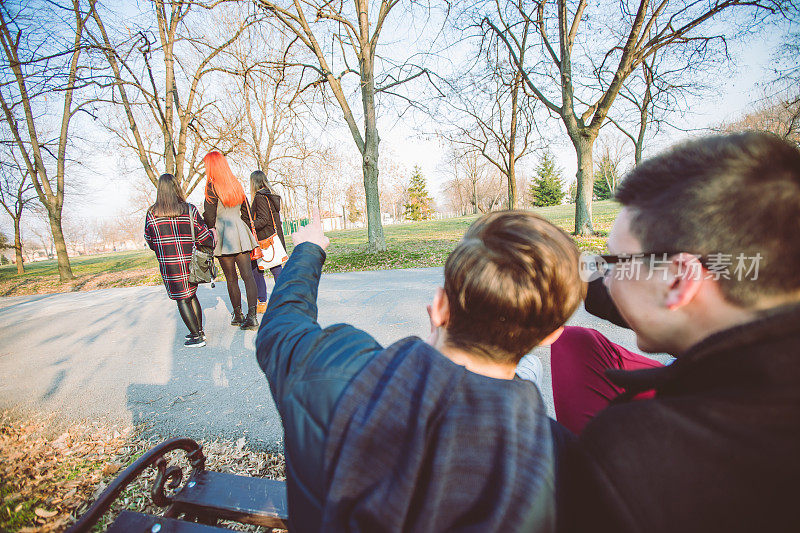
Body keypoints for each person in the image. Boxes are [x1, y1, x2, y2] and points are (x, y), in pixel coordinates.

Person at [256, 209, 585, 532]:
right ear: (550, 336)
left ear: (439, 306)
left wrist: (309, 249)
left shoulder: (331, 365)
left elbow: (281, 326)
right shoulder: (561, 462)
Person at [556, 132, 800, 532]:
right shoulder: (749, 279)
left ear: (679, 278)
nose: (608, 274)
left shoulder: (635, 456)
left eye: (612, 261)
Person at [144, 173, 215, 348]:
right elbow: (203, 235)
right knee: (191, 295)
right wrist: (210, 239)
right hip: (190, 261)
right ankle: (199, 332)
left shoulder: (152, 213)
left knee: (182, 299)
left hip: (169, 264)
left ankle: (196, 336)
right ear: (176, 187)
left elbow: (149, 239)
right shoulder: (189, 209)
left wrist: (161, 248)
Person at [202, 151, 260, 330]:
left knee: (231, 279)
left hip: (223, 233)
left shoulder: (211, 187)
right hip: (240, 231)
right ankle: (252, 317)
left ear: (211, 166)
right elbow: (246, 211)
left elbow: (210, 217)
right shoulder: (236, 184)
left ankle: (238, 314)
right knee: (248, 276)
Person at [249, 170, 286, 313]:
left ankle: (262, 302)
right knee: (276, 269)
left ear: (254, 182)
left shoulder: (260, 197)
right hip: (274, 238)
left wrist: (250, 224)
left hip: (265, 239)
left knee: (257, 269)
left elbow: (264, 219)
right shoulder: (271, 196)